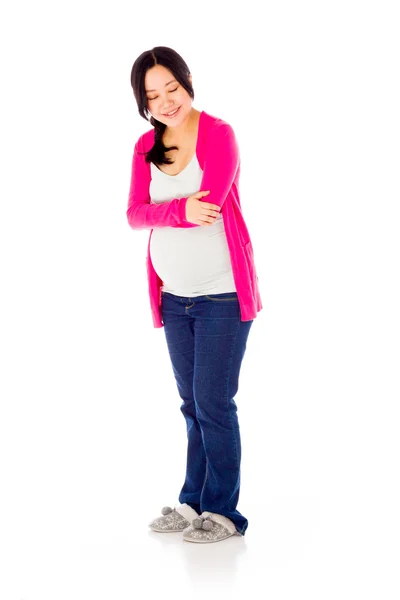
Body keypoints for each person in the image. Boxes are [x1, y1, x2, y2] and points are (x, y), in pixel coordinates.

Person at [126, 46, 263, 543]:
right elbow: (134, 214)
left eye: (172, 89)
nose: (166, 102)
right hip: (173, 296)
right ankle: (193, 503)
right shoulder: (145, 146)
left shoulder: (219, 134)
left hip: (221, 296)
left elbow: (216, 200)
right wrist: (180, 210)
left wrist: (168, 209)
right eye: (153, 95)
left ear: (187, 83)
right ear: (144, 101)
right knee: (190, 403)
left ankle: (225, 513)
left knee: (213, 403)